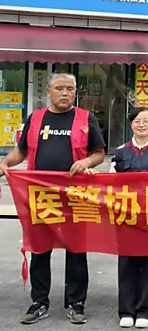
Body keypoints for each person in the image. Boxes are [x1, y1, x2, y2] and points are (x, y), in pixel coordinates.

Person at [0, 73, 105, 325]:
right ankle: (39, 301)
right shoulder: (36, 118)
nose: (65, 93)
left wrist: (86, 162)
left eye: (70, 88)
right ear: (49, 91)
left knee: (76, 250)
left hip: (75, 195)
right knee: (40, 249)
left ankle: (76, 302)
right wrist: (5, 162)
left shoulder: (86, 118)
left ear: (75, 91)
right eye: (59, 88)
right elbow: (21, 151)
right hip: (41, 194)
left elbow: (99, 153)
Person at [108, 107, 148, 329]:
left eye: (146, 120)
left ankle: (146, 310)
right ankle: (126, 310)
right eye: (137, 121)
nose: (142, 125)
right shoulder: (119, 152)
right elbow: (109, 183)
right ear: (131, 124)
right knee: (126, 263)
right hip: (126, 216)